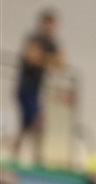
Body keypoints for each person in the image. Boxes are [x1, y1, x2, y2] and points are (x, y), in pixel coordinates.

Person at [12, 9, 64, 164]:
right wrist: (48, 59)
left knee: (26, 125)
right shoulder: (34, 39)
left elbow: (60, 64)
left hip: (36, 89)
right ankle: (36, 155)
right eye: (47, 24)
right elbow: (32, 58)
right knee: (39, 119)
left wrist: (44, 58)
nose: (49, 28)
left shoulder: (52, 43)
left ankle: (17, 152)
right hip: (25, 87)